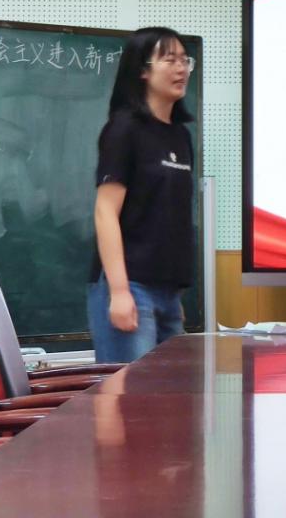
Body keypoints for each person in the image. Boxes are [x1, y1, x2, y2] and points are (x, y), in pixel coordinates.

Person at [86, 27, 196, 363]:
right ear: (143, 71)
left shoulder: (180, 136)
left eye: (185, 60)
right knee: (129, 395)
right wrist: (119, 291)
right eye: (169, 60)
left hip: (167, 292)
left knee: (169, 394)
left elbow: (169, 216)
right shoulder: (124, 129)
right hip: (130, 287)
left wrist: (173, 295)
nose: (181, 69)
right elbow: (105, 212)